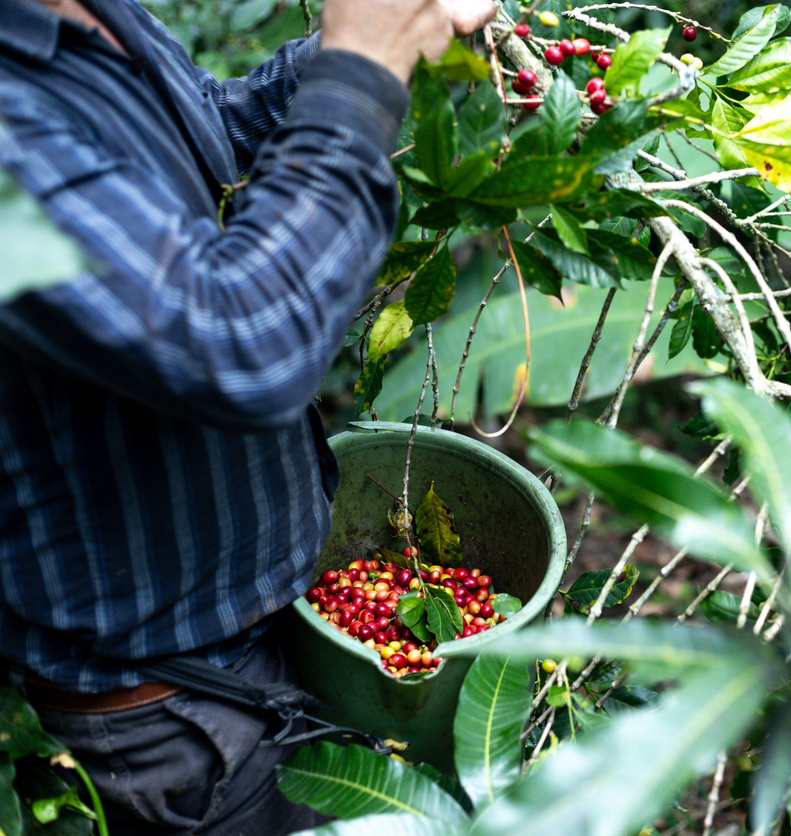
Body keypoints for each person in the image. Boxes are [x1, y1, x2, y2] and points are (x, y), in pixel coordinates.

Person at [0, 0, 497, 832]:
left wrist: (380, 37)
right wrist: (361, 72)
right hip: (175, 717)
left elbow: (209, 150)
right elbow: (239, 341)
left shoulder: (79, 12)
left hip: (266, 642)